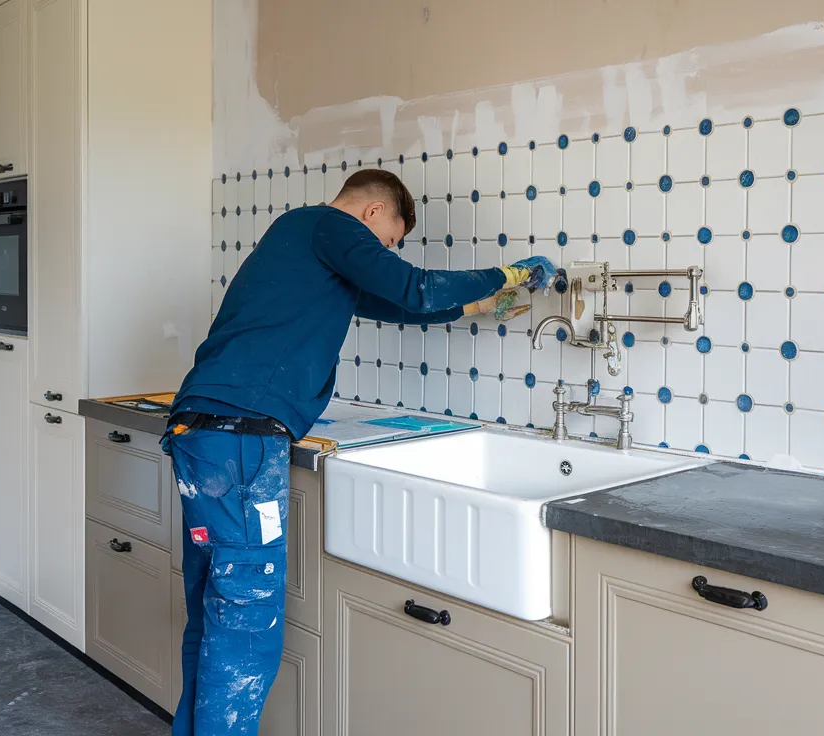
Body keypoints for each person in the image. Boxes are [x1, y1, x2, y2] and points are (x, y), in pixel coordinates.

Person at [162, 168, 553, 735]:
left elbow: (397, 304)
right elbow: (413, 287)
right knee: (247, 620)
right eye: (390, 242)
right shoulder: (327, 225)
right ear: (372, 214)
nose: (386, 252)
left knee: (216, 608)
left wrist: (478, 306)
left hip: (206, 432)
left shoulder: (301, 242)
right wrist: (508, 272)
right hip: (241, 437)